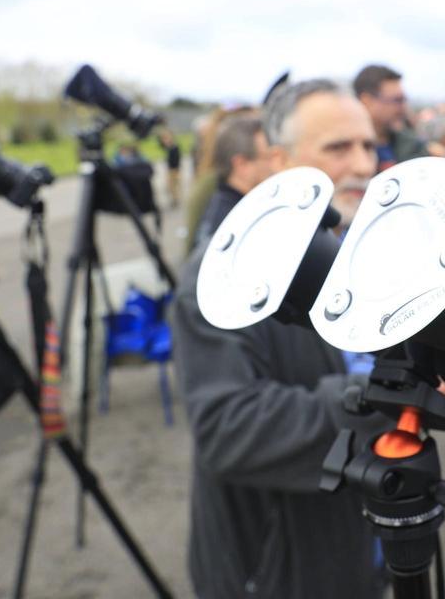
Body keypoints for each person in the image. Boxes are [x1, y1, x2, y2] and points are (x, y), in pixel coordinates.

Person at [171, 79, 390, 599]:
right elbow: (229, 428)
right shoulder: (221, 277)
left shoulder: (366, 251)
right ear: (279, 160)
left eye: (368, 145)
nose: (362, 164)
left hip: (363, 549)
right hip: (275, 572)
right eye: (338, 147)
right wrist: (381, 397)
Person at [192, 114, 273, 248]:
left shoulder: (226, 204)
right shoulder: (237, 225)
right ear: (241, 165)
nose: (277, 164)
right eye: (269, 157)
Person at [353, 63, 429, 171]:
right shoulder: (341, 152)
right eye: (397, 100)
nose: (403, 108)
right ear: (367, 101)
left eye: (404, 100)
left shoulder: (413, 146)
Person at [159, 129, 183, 208]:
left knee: (173, 185)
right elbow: (160, 144)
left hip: (174, 169)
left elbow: (176, 159)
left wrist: (176, 169)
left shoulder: (174, 147)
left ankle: (175, 199)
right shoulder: (169, 147)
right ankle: (174, 199)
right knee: (170, 186)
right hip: (170, 169)